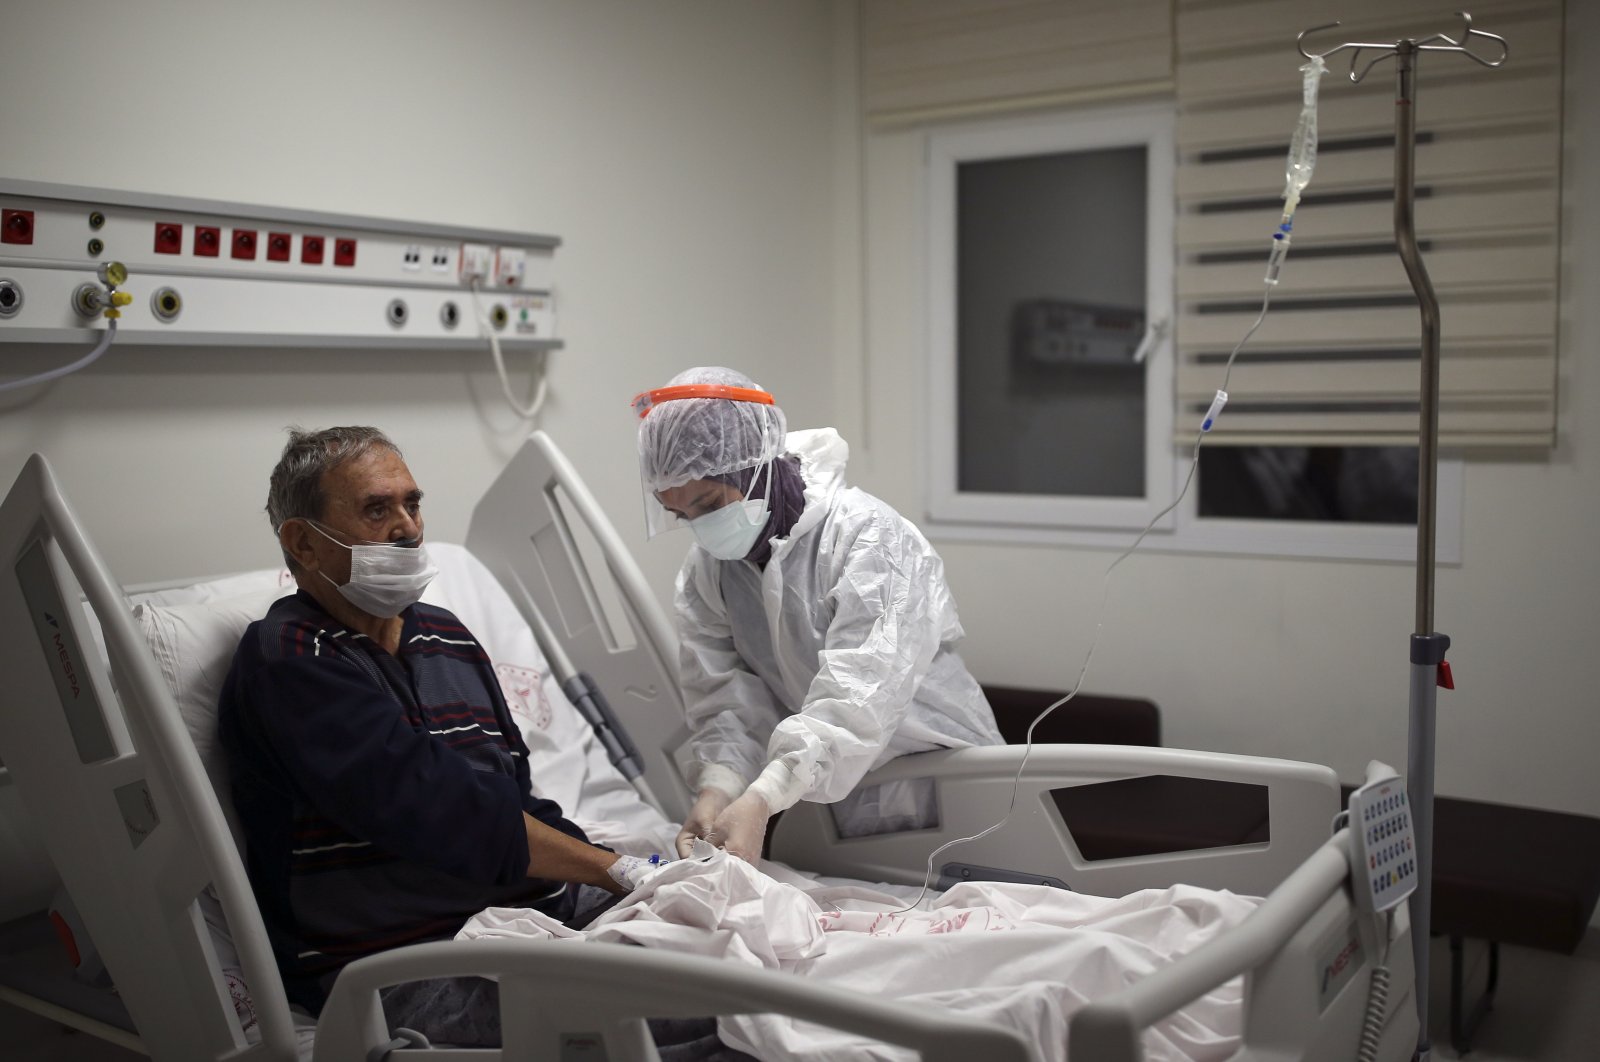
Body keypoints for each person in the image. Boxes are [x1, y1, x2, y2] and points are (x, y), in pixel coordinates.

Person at [218, 426, 668, 1038]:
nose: (407, 527)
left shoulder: (445, 635)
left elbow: (513, 796)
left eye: (412, 503)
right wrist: (609, 867)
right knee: (668, 1020)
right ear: (304, 543)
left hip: (521, 915)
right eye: (378, 509)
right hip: (399, 961)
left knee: (725, 937)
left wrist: (645, 874)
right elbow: (435, 805)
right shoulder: (292, 659)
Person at [632, 368, 1005, 862]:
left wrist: (765, 796)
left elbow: (858, 697)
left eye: (709, 503)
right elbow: (728, 702)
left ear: (755, 467)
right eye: (683, 515)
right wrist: (717, 791)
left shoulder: (868, 539)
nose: (701, 529)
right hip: (835, 803)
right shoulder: (711, 574)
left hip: (947, 779)